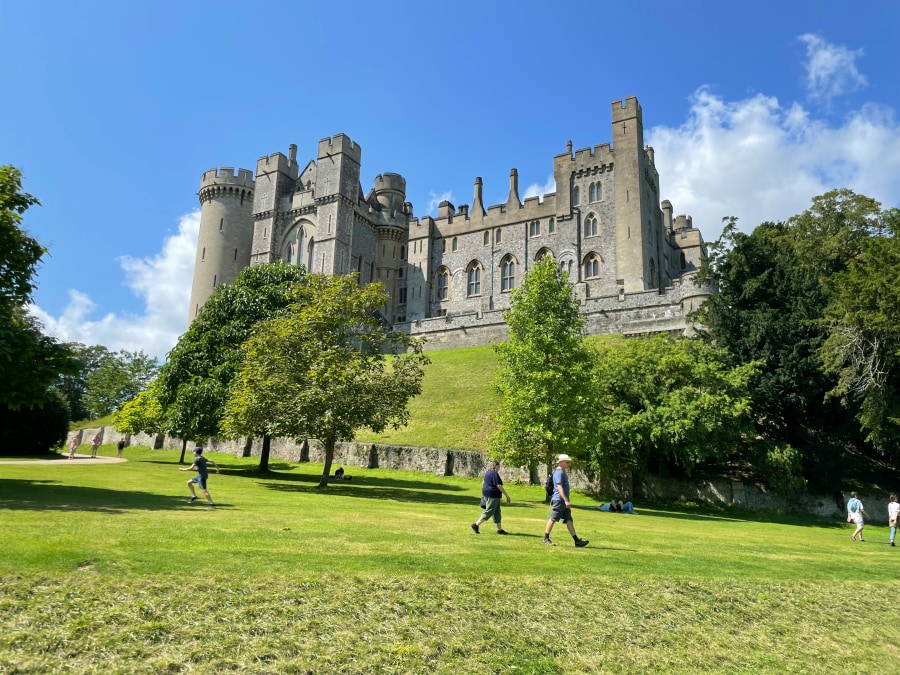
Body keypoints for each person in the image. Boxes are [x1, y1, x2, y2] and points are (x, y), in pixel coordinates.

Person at [543, 454, 589, 547]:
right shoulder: (559, 472)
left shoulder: (562, 472)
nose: (569, 464)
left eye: (569, 462)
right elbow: (559, 487)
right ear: (561, 462)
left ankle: (577, 541)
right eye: (567, 462)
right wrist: (566, 500)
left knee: (568, 519)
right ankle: (545, 538)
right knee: (553, 518)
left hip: (563, 500)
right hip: (559, 500)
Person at [471, 460, 511, 535]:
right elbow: (499, 486)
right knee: (489, 511)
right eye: (498, 466)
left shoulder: (488, 472)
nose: (499, 468)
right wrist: (506, 495)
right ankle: (476, 525)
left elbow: (483, 483)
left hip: (488, 494)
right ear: (496, 466)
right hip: (493, 495)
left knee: (497, 512)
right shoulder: (494, 473)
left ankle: (500, 529)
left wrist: (484, 494)